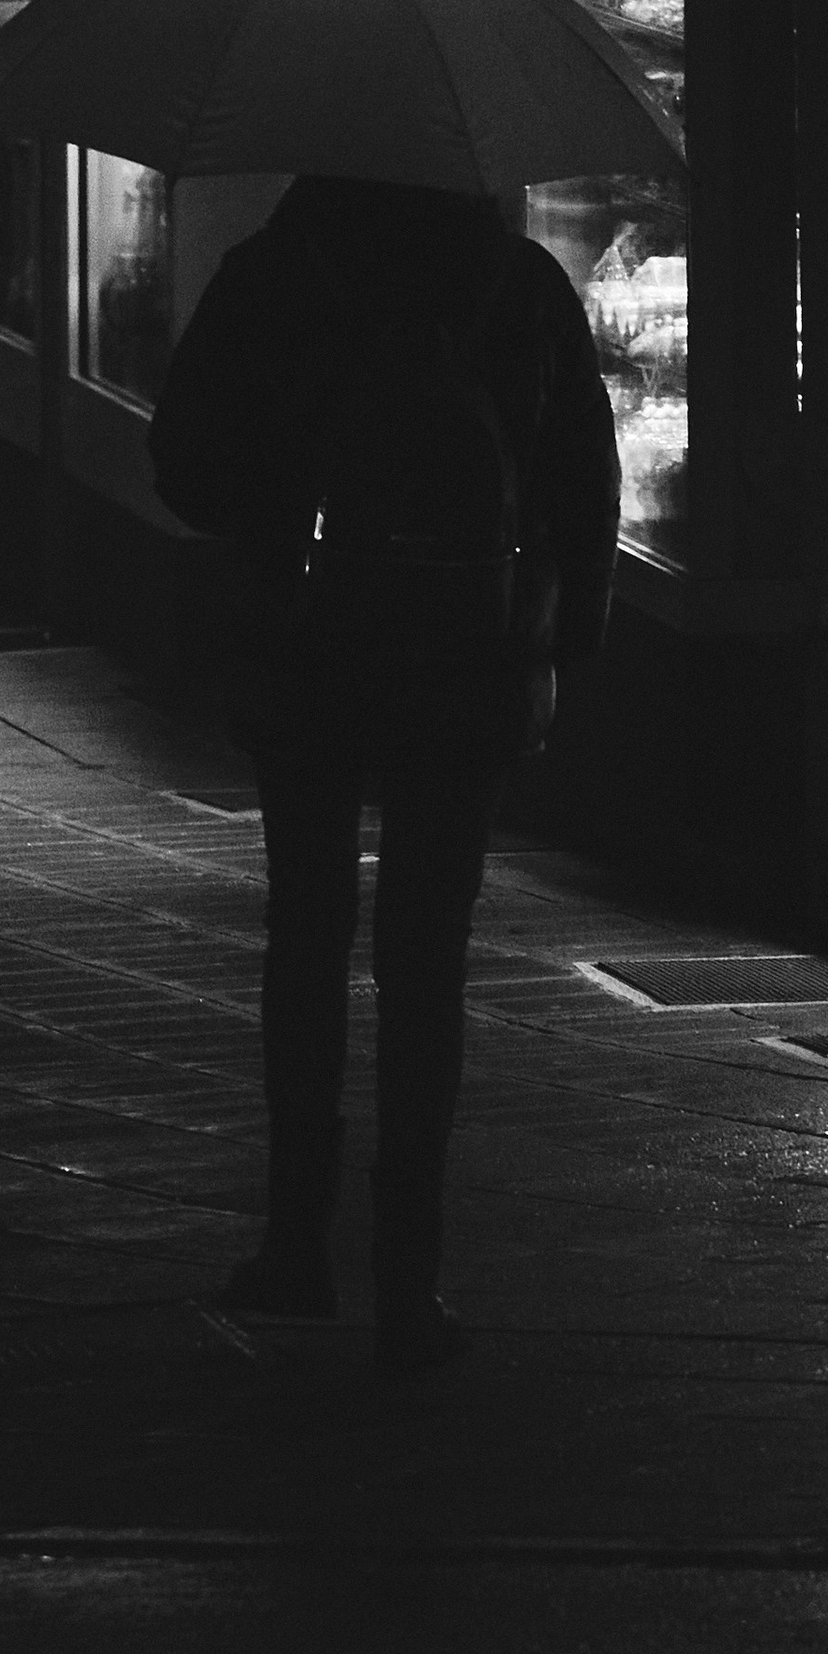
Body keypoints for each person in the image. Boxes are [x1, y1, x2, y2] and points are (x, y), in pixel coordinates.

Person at [148, 172, 621, 1376]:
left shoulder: (275, 275)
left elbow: (183, 465)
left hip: (308, 651)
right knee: (427, 958)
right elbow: (583, 484)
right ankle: (410, 1282)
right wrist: (562, 647)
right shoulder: (517, 285)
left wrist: (285, 505)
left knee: (304, 937)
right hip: (463, 660)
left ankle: (297, 1248)